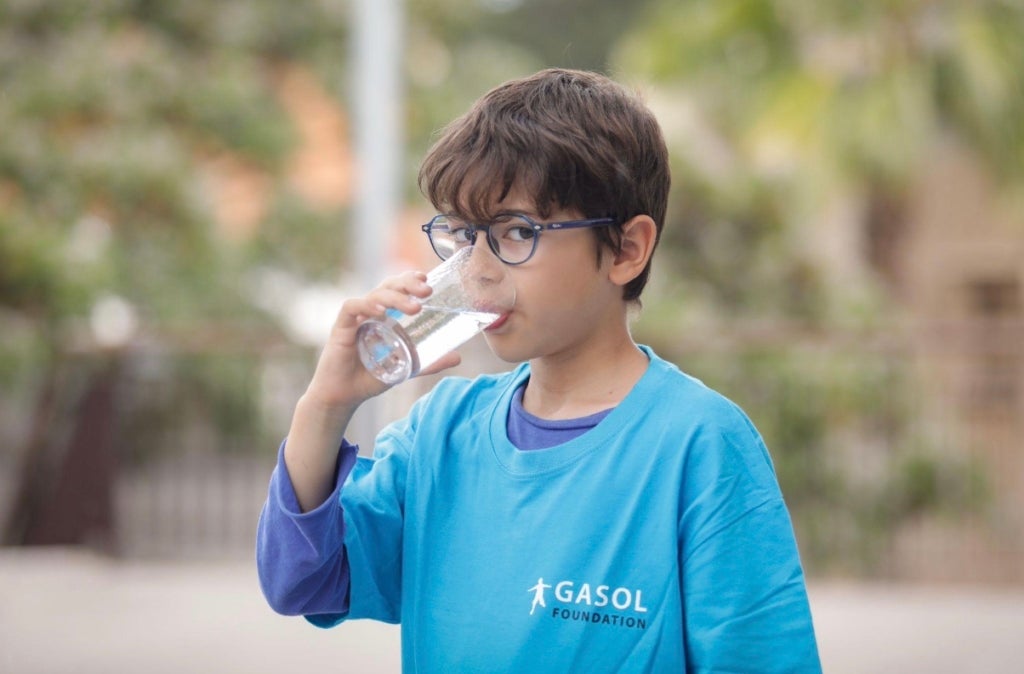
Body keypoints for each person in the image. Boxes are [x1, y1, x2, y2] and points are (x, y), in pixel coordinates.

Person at [257, 68, 821, 673]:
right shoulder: (440, 434)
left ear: (628, 249)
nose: (477, 269)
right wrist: (324, 407)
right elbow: (302, 582)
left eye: (517, 232)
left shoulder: (699, 444)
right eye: (464, 235)